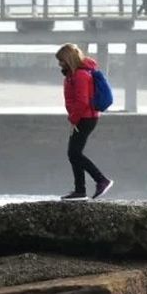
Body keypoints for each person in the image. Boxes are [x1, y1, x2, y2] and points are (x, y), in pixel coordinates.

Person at [57, 43, 112, 200]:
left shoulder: (80, 75)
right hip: (84, 117)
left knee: (74, 153)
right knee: (74, 153)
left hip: (85, 118)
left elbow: (82, 101)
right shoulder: (74, 74)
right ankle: (80, 191)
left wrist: (73, 119)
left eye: (61, 60)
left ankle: (101, 180)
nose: (59, 64)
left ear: (69, 59)